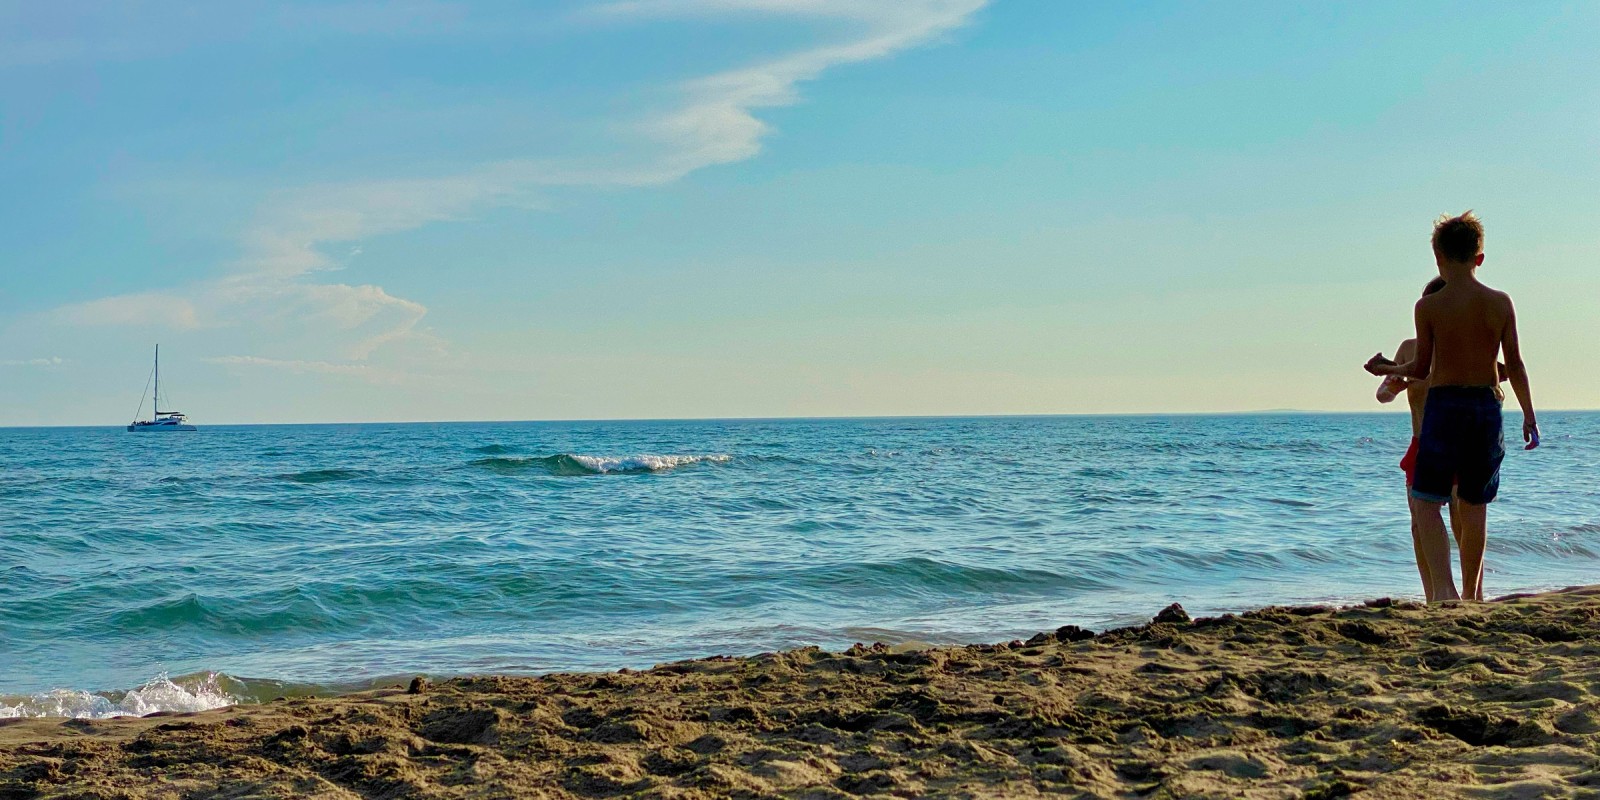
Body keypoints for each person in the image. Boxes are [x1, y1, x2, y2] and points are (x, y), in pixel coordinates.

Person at [1365, 211, 1538, 602]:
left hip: (1445, 405)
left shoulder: (1429, 307)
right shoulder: (1500, 302)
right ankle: (1473, 594)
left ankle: (1443, 592)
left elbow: (1422, 366)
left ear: (1438, 257)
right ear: (1480, 257)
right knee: (1475, 504)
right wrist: (1529, 415)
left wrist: (1387, 368)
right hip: (1486, 405)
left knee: (1426, 501)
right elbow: (1515, 365)